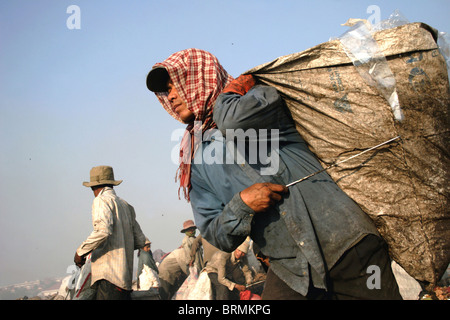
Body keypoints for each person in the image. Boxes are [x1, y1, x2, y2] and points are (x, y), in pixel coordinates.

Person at [146, 48, 402, 300]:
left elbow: (232, 123)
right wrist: (241, 205)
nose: (169, 97)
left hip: (349, 247)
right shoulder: (197, 161)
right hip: (293, 270)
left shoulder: (256, 96)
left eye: (173, 86)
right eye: (165, 92)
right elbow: (214, 232)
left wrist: (228, 93)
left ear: (199, 78)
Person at [74, 165, 148, 300]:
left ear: (93, 187)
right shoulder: (125, 205)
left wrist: (80, 252)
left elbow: (103, 231)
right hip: (124, 281)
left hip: (108, 278)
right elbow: (140, 240)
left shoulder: (101, 200)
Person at [157, 219, 202, 299]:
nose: (191, 231)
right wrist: (192, 275)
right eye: (189, 229)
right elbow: (187, 264)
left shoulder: (193, 241)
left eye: (192, 229)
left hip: (173, 273)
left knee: (174, 293)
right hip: (166, 272)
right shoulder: (185, 244)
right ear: (185, 231)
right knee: (164, 294)